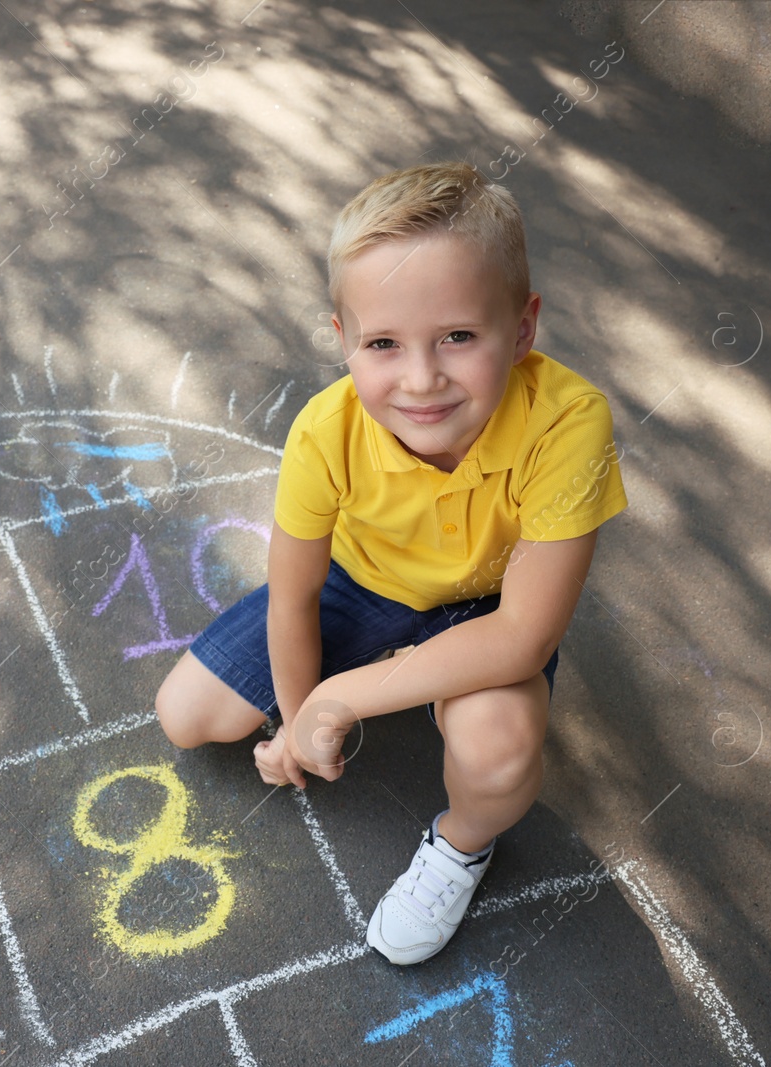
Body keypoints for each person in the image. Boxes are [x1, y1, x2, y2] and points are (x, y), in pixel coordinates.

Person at [154, 162, 627, 965]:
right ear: (343, 340)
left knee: (498, 748)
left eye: (458, 336)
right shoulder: (323, 431)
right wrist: (302, 720)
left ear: (521, 329)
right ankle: (395, 672)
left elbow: (519, 636)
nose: (421, 378)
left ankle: (462, 845)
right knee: (188, 717)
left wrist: (343, 696)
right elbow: (295, 599)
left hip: (489, 605)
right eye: (383, 343)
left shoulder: (569, 424)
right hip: (364, 581)